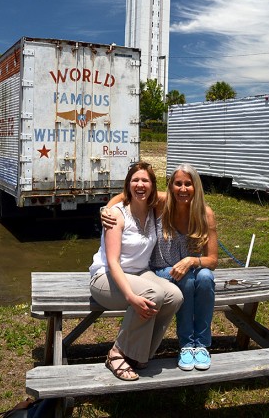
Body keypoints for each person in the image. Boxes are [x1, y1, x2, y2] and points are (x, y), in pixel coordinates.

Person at [101, 163, 218, 371]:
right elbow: (126, 194)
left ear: (196, 187)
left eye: (188, 184)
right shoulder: (163, 203)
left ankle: (201, 344)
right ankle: (186, 344)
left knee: (206, 277)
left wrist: (192, 260)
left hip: (190, 267)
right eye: (178, 184)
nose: (183, 189)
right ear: (171, 186)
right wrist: (107, 209)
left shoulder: (204, 214)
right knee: (188, 280)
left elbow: (213, 260)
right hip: (162, 269)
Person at [89, 161, 183, 381]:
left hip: (139, 272)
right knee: (153, 294)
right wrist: (131, 296)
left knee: (175, 296)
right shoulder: (116, 215)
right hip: (106, 277)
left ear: (152, 185)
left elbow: (185, 197)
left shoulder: (152, 210)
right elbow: (113, 263)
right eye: (135, 180)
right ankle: (117, 352)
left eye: (145, 181)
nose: (140, 185)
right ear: (127, 185)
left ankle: (140, 353)